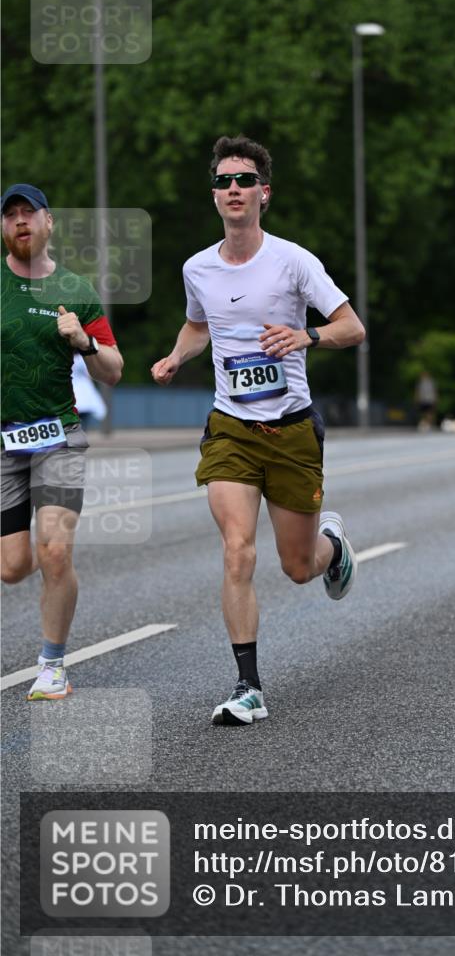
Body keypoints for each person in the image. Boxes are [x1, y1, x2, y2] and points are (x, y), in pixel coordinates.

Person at [151, 135, 365, 727]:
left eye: (244, 180)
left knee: (297, 567)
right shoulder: (198, 266)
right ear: (215, 196)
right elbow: (200, 326)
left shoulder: (294, 261)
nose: (233, 190)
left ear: (263, 193)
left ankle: (334, 545)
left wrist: (307, 336)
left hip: (292, 428)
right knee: (237, 550)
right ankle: (249, 687)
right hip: (231, 429)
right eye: (223, 182)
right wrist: (176, 357)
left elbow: (352, 327)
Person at [1, 184, 123, 700]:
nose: (20, 222)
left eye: (30, 213)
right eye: (11, 216)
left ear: (49, 223)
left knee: (54, 552)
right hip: (5, 444)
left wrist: (85, 342)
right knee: (11, 568)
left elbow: (113, 370)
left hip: (59, 439)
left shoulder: (76, 291)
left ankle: (52, 664)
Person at [71, 353, 108, 429]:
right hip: (84, 394)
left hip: (72, 392)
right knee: (83, 422)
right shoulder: (82, 360)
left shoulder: (63, 358)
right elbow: (90, 374)